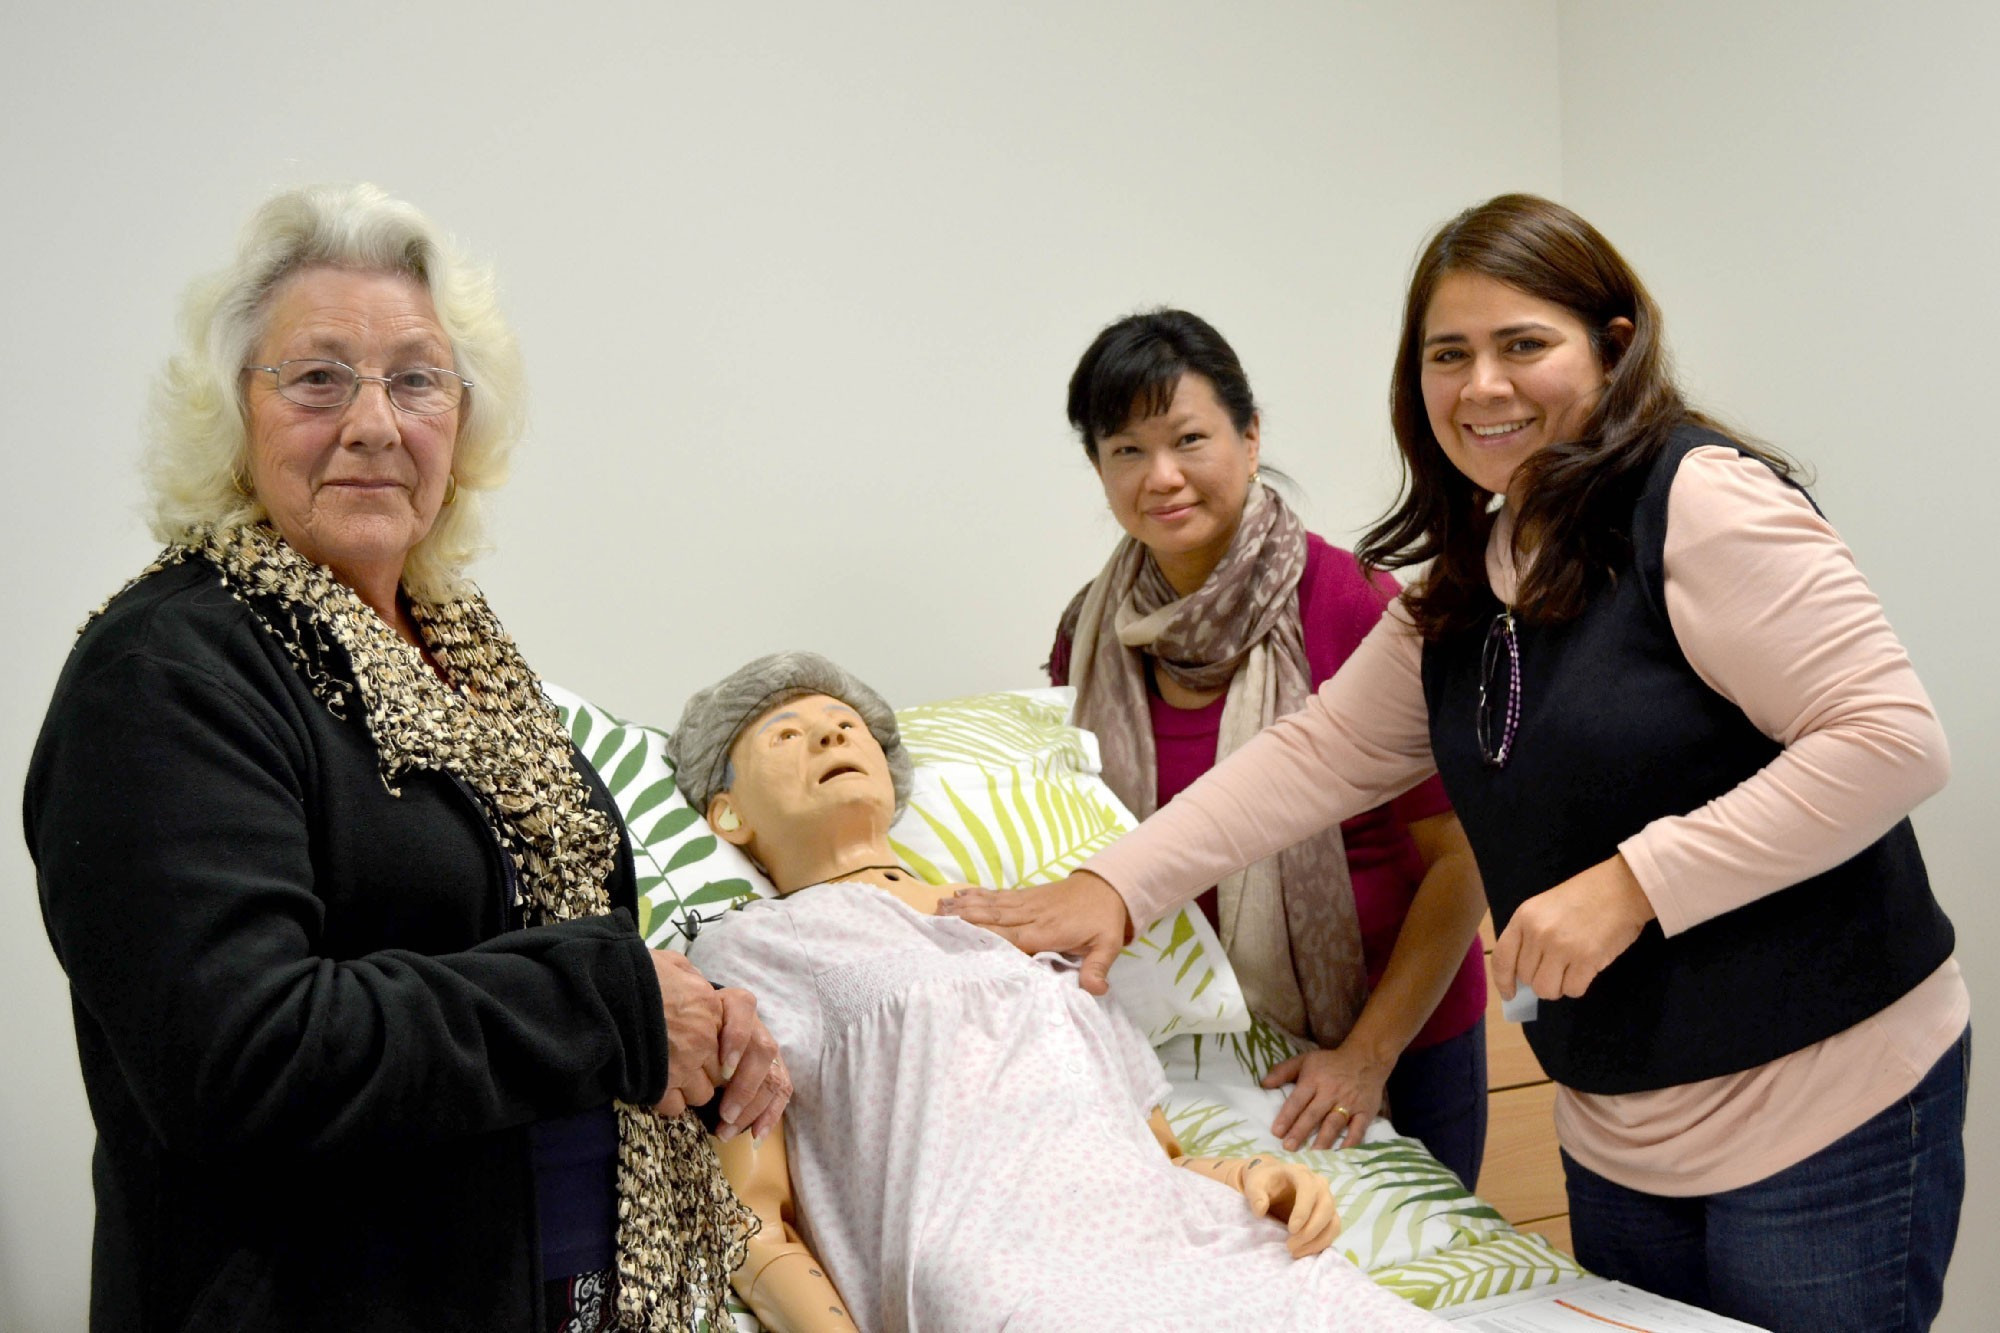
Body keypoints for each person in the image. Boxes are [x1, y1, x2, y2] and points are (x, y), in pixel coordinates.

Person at [944, 195, 1968, 1333]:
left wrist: (1633, 884)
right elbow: (1320, 753)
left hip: (1821, 1100)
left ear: (1613, 346)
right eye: (1447, 355)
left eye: (1521, 344)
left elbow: (1888, 739)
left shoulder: (1699, 501)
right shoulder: (1472, 573)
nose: (1481, 386)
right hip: (1620, 1123)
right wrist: (1115, 885)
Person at [23, 183, 788, 1333]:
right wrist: (612, 1008)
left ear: (463, 423)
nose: (375, 422)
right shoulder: (167, 669)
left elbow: (536, 952)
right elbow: (239, 1057)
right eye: (318, 377)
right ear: (233, 413)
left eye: (417, 380)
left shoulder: (466, 658)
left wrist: (695, 1024)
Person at [666, 652, 1450, 1333]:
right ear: (726, 813)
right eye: (785, 735)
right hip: (1008, 1272)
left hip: (1200, 1235)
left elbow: (1160, 1156)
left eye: (845, 723)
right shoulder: (755, 947)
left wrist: (1253, 1178)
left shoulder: (1030, 922)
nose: (831, 736)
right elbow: (750, 1217)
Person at [1049, 309, 1488, 1183]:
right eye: (1127, 450)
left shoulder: (1356, 605)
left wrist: (1365, 1056)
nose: (1162, 476)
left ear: (1250, 439)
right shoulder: (1091, 633)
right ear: (1098, 469)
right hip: (1202, 1054)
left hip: (1394, 1039)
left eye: (1189, 439)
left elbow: (1462, 858)